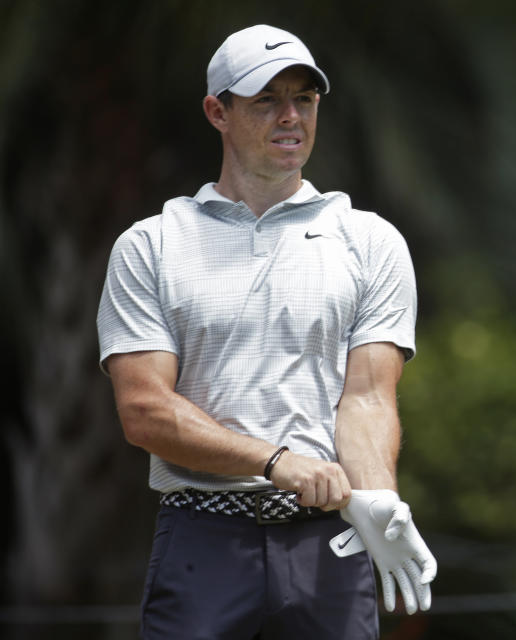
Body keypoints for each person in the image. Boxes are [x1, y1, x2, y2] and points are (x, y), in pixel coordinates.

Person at [96, 24, 436, 639]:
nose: (290, 117)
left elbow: (366, 399)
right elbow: (144, 410)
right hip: (202, 537)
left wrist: (379, 503)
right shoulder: (152, 244)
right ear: (216, 111)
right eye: (265, 100)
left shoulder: (370, 241)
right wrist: (276, 462)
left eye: (304, 99)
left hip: (328, 540)